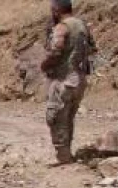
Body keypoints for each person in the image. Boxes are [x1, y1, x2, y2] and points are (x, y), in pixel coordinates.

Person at [41, 0, 96, 165]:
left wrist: (45, 64)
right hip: (79, 79)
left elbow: (56, 50)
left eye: (53, 10)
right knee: (68, 117)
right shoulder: (82, 26)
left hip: (64, 79)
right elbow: (93, 48)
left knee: (56, 117)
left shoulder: (62, 27)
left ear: (57, 10)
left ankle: (64, 158)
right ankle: (67, 154)